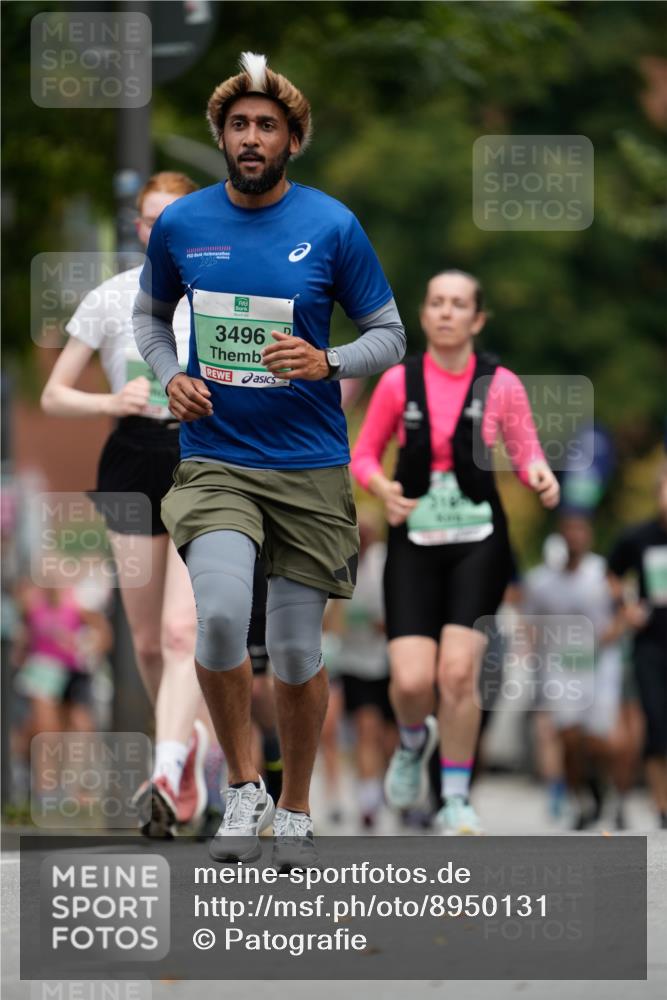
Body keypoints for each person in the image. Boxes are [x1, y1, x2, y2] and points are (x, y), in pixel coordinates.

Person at [133, 51, 405, 866]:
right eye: (238, 125)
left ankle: (295, 806)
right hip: (217, 459)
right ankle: (243, 785)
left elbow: (390, 335)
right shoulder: (184, 226)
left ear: (292, 140)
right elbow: (150, 319)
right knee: (218, 617)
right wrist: (170, 375)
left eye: (267, 126)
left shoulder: (332, 225)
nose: (251, 138)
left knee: (291, 652)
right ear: (220, 136)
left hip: (309, 464)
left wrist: (328, 361)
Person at [350, 269, 559, 834]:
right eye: (437, 302)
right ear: (423, 315)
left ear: (477, 319)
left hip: (478, 541)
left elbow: (526, 451)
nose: (446, 312)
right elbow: (363, 455)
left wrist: (540, 476)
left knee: (459, 673)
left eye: (458, 304)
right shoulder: (398, 381)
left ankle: (457, 798)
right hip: (414, 539)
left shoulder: (501, 383)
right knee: (412, 682)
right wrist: (383, 489)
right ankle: (412, 738)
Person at [41, 171, 216, 837]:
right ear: (139, 228)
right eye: (151, 219)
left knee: (180, 632)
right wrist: (111, 400)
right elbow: (54, 395)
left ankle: (166, 769)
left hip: (202, 458)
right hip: (131, 459)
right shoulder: (111, 297)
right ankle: (188, 744)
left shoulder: (220, 294)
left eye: (175, 217)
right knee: (145, 641)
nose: (162, 229)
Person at [522, 512, 628, 830]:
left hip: (599, 663)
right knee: (567, 735)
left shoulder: (603, 574)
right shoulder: (541, 581)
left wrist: (611, 634)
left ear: (589, 535)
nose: (575, 536)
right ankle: (579, 797)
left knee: (599, 740)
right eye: (569, 530)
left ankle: (603, 786)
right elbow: (529, 622)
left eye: (580, 530)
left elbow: (624, 612)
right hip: (561, 664)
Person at [608, 461, 667, 829]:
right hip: (651, 645)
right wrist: (626, 607)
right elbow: (612, 574)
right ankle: (662, 806)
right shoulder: (638, 537)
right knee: (657, 723)